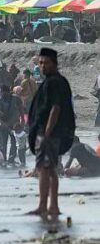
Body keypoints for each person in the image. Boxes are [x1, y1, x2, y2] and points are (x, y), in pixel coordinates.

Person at [27, 48, 75, 221]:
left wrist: (47, 132)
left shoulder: (54, 82)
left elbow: (56, 108)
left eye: (46, 62)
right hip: (50, 132)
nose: (42, 66)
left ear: (54, 64)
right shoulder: (56, 81)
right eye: (40, 63)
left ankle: (43, 206)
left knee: (44, 169)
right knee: (51, 169)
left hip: (49, 132)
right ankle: (52, 206)